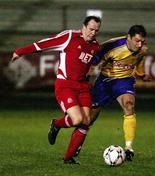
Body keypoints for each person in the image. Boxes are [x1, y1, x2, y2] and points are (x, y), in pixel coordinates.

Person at [11, 16, 101, 164]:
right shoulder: (70, 37)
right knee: (77, 119)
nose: (93, 33)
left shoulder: (95, 46)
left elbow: (90, 64)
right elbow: (44, 44)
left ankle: (68, 158)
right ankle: (56, 124)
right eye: (91, 29)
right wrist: (21, 51)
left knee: (86, 121)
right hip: (65, 85)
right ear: (83, 27)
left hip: (83, 87)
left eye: (96, 30)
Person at [88, 25, 151, 161]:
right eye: (137, 41)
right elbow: (93, 62)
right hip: (104, 81)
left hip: (124, 81)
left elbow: (138, 65)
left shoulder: (143, 49)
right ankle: (74, 145)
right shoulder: (112, 45)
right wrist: (87, 77)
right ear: (128, 37)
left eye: (142, 41)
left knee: (129, 105)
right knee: (89, 119)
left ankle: (129, 148)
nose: (140, 45)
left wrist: (142, 74)